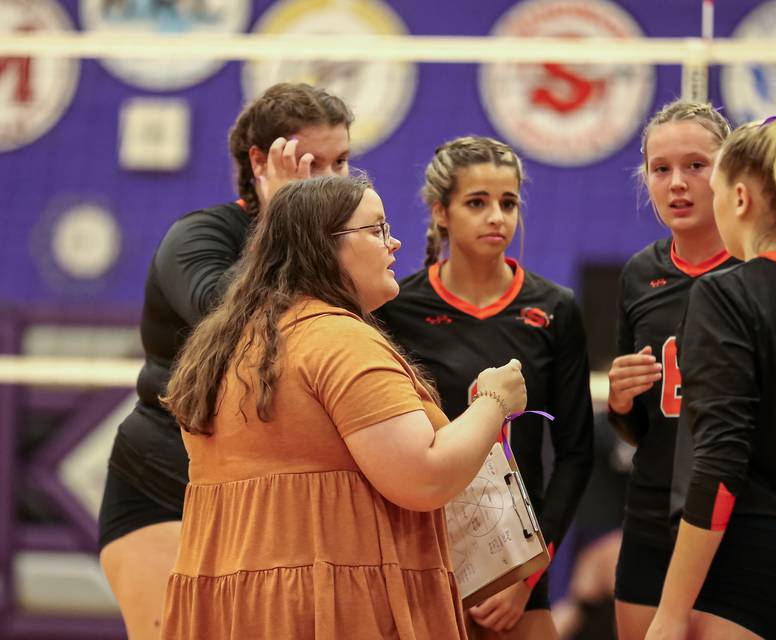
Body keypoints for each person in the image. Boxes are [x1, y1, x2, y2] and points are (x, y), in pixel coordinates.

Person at [159, 175, 527, 639]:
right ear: (323, 245)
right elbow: (424, 475)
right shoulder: (339, 340)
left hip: (232, 611)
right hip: (327, 610)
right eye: (375, 229)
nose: (394, 242)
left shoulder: (230, 344)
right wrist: (495, 401)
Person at [97, 83, 353, 640]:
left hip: (268, 500)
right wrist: (282, 221)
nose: (334, 180)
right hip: (166, 484)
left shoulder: (346, 250)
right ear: (261, 161)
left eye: (343, 161)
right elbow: (231, 320)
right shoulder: (198, 236)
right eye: (313, 163)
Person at [376, 136, 594, 639]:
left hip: (517, 576)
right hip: (424, 560)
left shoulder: (555, 309)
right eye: (477, 202)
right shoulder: (395, 309)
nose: (497, 216)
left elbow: (575, 455)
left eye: (508, 202)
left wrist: (526, 576)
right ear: (441, 212)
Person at [646, 107, 776, 640]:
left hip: (750, 562)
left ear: (740, 198)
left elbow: (719, 463)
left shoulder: (728, 292)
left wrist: (670, 610)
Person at [605, 100, 736, 640]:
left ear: (729, 172)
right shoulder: (641, 273)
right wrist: (619, 401)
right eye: (661, 169)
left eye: (695, 166)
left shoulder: (760, 271)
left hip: (738, 514)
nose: (676, 184)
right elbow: (636, 430)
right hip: (653, 508)